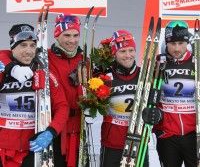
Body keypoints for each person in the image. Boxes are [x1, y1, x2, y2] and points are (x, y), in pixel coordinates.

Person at [0, 23, 68, 167]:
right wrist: (9, 68)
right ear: (13, 46)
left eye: (32, 45)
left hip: (32, 147)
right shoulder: (3, 70)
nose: (29, 51)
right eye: (23, 45)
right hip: (4, 147)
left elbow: (62, 106)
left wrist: (51, 131)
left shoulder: (44, 73)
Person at [142, 20, 196, 167]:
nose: (177, 48)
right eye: (172, 43)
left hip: (194, 133)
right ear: (166, 43)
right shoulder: (158, 63)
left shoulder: (196, 62)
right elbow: (146, 93)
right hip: (167, 134)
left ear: (187, 42)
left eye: (181, 43)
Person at [97, 30, 149, 167]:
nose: (128, 55)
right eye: (123, 51)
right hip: (112, 142)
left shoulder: (144, 75)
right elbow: (94, 104)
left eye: (131, 50)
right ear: (114, 53)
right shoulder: (105, 77)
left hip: (138, 140)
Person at [48, 14, 88, 167]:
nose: (72, 40)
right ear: (57, 35)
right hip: (56, 126)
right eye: (67, 35)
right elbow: (7, 54)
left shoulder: (85, 60)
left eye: (76, 35)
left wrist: (93, 104)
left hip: (80, 127)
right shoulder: (46, 57)